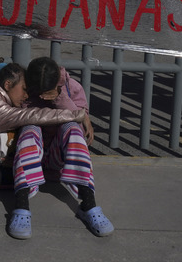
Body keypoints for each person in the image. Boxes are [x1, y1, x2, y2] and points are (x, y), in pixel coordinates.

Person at [0, 57, 85, 203]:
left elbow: (12, 74)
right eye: (25, 89)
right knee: (27, 177)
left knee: (23, 168)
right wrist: (79, 115)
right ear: (7, 84)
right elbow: (34, 115)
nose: (26, 95)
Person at [11, 56, 114, 239]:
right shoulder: (24, 87)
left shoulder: (70, 86)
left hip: (59, 159)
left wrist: (60, 97)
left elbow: (82, 119)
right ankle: (21, 205)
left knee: (73, 128)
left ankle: (88, 204)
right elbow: (17, 116)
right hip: (32, 158)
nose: (43, 95)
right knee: (29, 128)